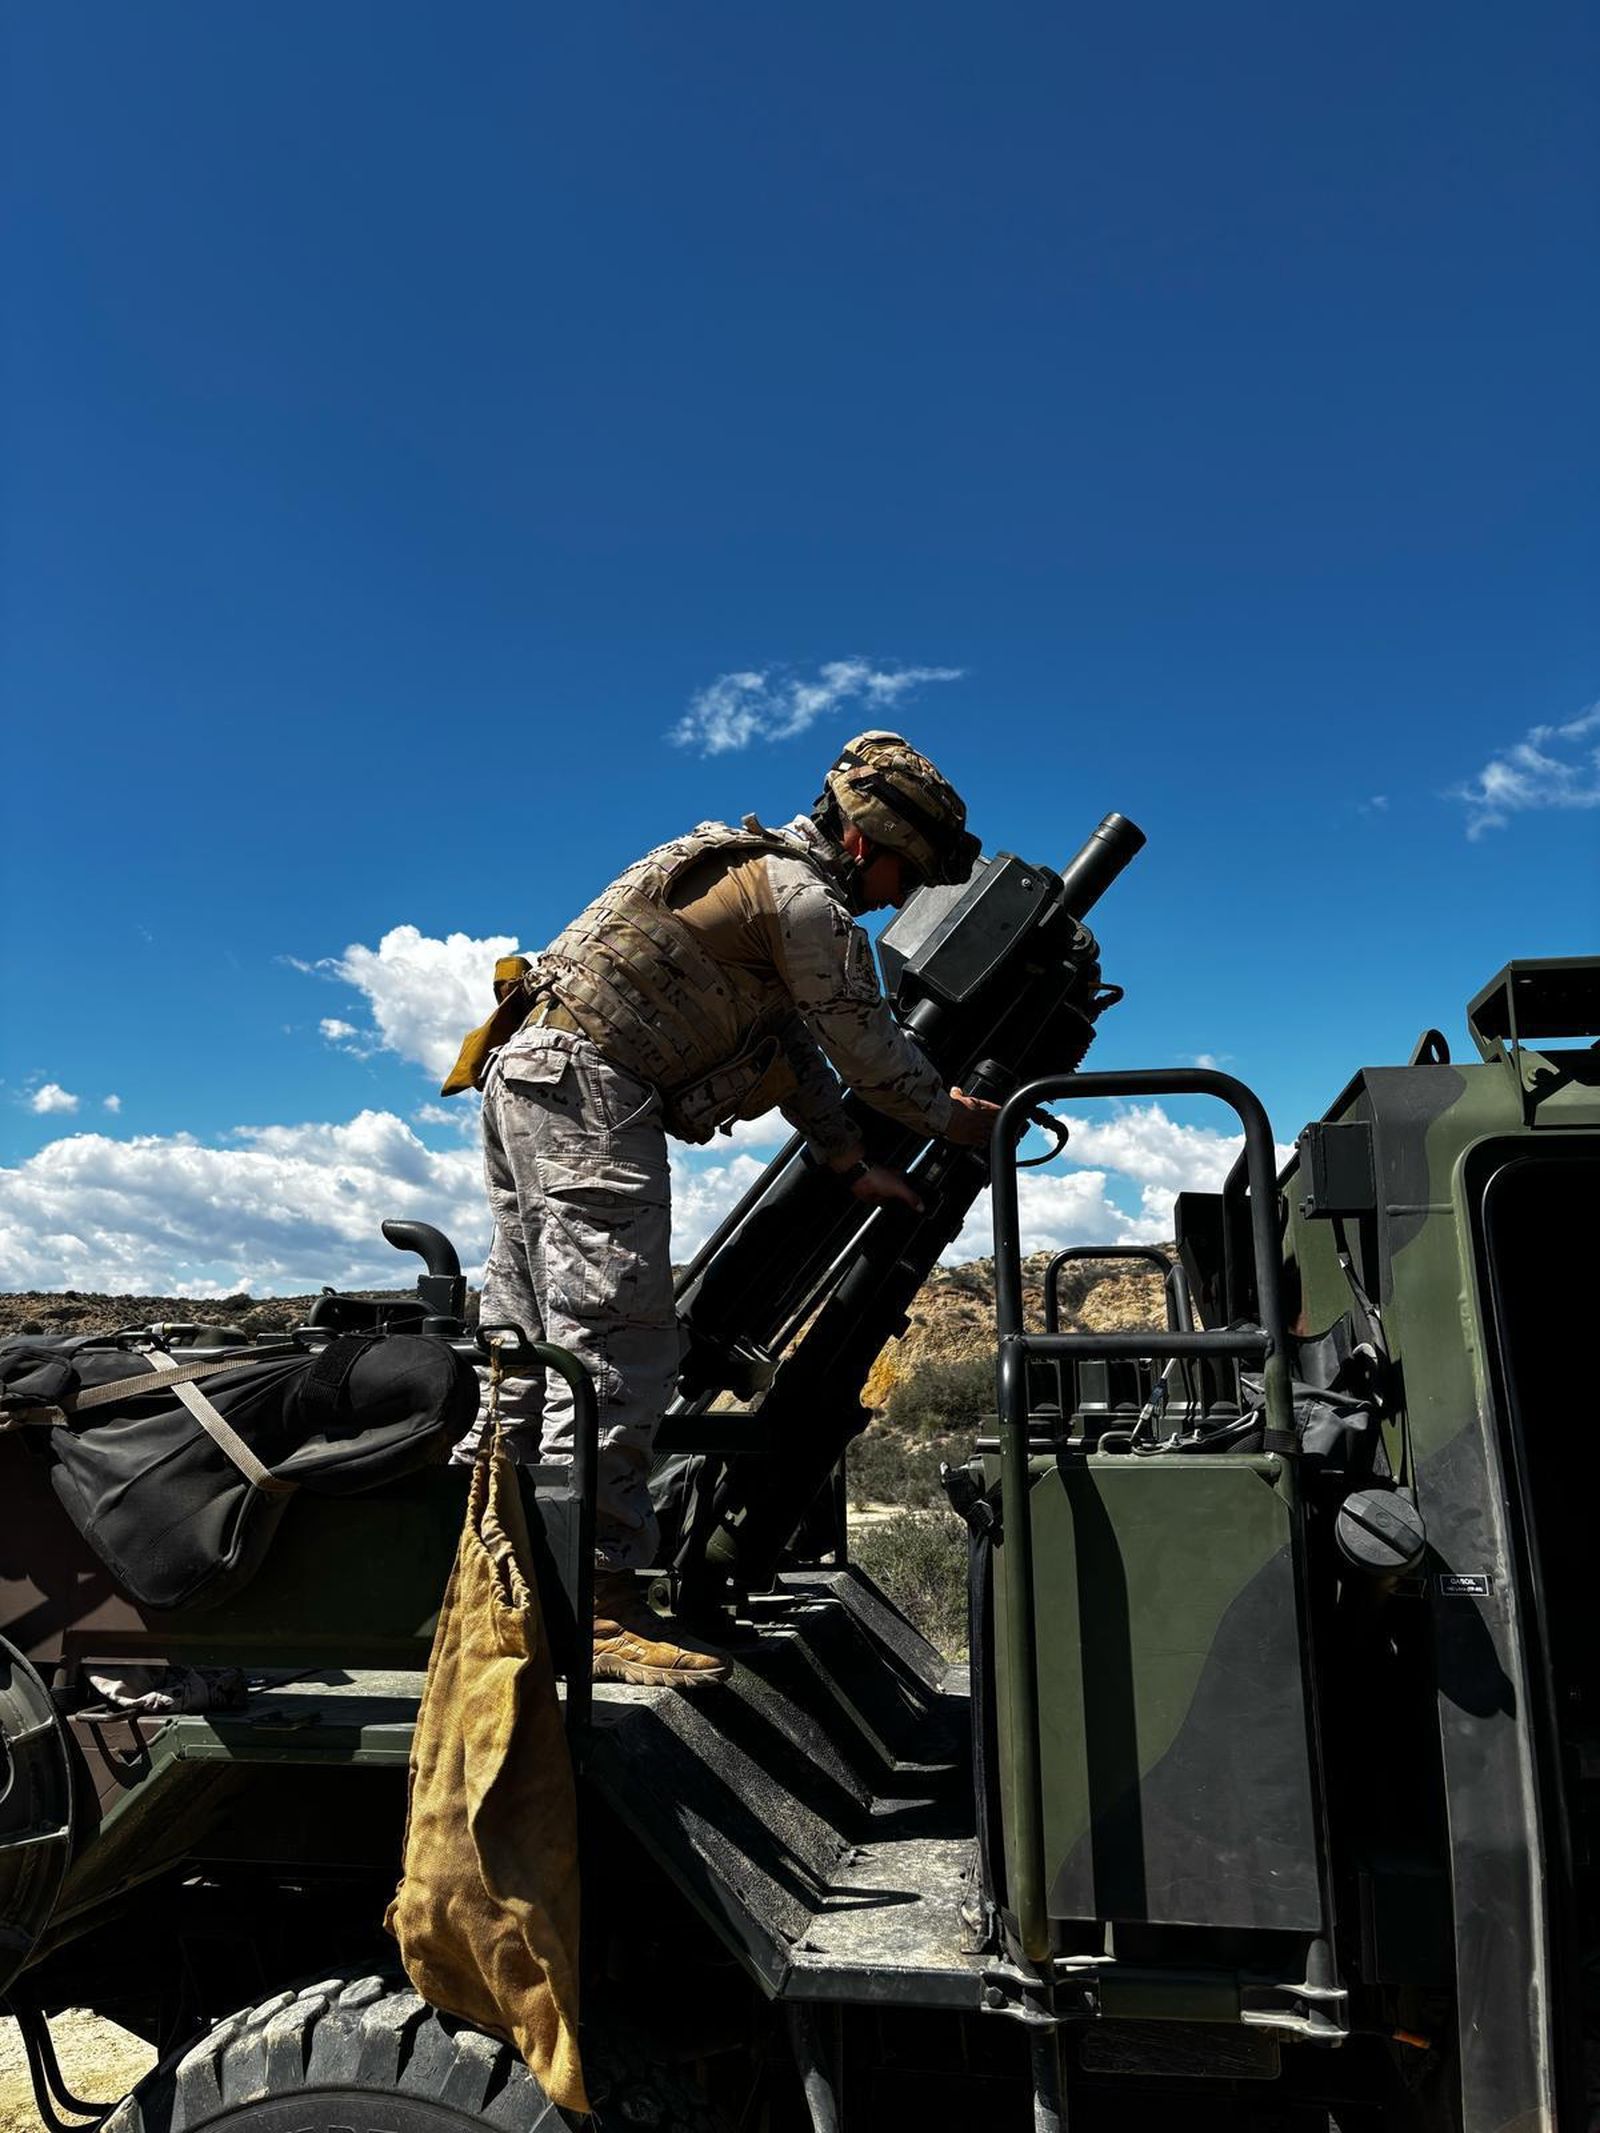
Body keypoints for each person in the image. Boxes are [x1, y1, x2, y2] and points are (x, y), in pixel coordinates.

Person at [441, 731, 998, 1688]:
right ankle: (599, 1602)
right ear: (866, 844)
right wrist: (952, 1115)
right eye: (903, 875)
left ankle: (501, 1573)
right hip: (590, 1086)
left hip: (533, 1076)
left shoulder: (754, 883)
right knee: (616, 1344)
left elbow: (791, 1043)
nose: (897, 900)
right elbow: (865, 1048)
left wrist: (845, 1157)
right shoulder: (806, 902)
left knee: (529, 1349)